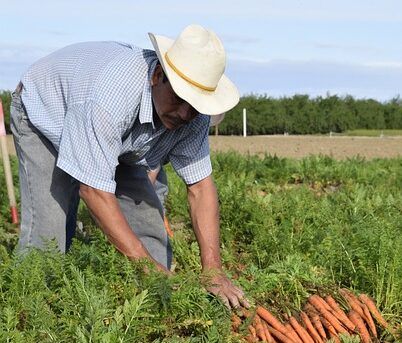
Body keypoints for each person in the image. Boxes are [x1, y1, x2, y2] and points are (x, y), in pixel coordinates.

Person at [10, 24, 249, 310]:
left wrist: (213, 271)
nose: (186, 113)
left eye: (196, 106)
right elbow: (93, 190)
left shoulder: (192, 116)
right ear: (158, 76)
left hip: (123, 141)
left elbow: (200, 187)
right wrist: (145, 266)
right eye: (181, 99)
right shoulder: (110, 97)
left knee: (150, 229)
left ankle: (153, 315)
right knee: (49, 234)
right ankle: (28, 320)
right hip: (47, 116)